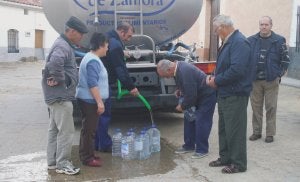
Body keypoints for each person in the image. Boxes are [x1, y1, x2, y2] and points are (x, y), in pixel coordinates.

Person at [206, 15, 254, 174]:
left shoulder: (239, 42)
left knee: (235, 130)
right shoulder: (228, 42)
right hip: (226, 92)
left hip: (236, 93)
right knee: (224, 128)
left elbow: (237, 70)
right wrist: (215, 76)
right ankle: (225, 157)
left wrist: (217, 81)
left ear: (223, 27)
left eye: (215, 29)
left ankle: (238, 163)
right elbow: (224, 65)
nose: (215, 32)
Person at [41, 16, 88, 175]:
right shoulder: (63, 46)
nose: (82, 37)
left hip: (55, 97)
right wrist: (65, 81)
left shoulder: (61, 43)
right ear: (72, 31)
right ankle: (63, 164)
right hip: (61, 97)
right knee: (66, 132)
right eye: (80, 33)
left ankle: (53, 162)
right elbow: (54, 64)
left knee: (54, 130)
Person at [157, 59, 216, 159]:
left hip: (206, 95)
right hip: (197, 94)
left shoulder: (184, 71)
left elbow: (191, 96)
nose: (166, 78)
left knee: (202, 121)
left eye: (165, 75)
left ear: (169, 69)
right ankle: (189, 146)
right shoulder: (178, 69)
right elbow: (187, 86)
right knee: (189, 119)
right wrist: (180, 90)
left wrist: (182, 106)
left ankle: (202, 149)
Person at [94, 22, 139, 152]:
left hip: (97, 83)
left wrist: (121, 53)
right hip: (103, 84)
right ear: (121, 31)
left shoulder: (107, 38)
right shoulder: (115, 44)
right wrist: (131, 87)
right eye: (128, 36)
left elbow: (110, 56)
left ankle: (96, 144)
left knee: (97, 115)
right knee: (104, 115)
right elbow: (120, 69)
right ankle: (105, 145)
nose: (128, 39)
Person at [248, 16, 290, 143]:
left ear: (271, 25)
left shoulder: (279, 40)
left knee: (271, 107)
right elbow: (246, 58)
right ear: (259, 25)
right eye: (261, 24)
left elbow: (285, 59)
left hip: (271, 80)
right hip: (255, 80)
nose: (264, 27)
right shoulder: (251, 40)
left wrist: (279, 74)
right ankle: (257, 132)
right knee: (256, 108)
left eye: (266, 24)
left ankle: (270, 134)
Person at [76, 33, 109, 167]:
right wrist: (100, 102)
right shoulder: (93, 61)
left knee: (88, 129)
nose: (107, 49)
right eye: (106, 46)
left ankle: (88, 154)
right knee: (89, 131)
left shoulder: (90, 57)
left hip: (88, 100)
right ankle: (87, 158)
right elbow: (92, 84)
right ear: (100, 45)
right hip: (90, 101)